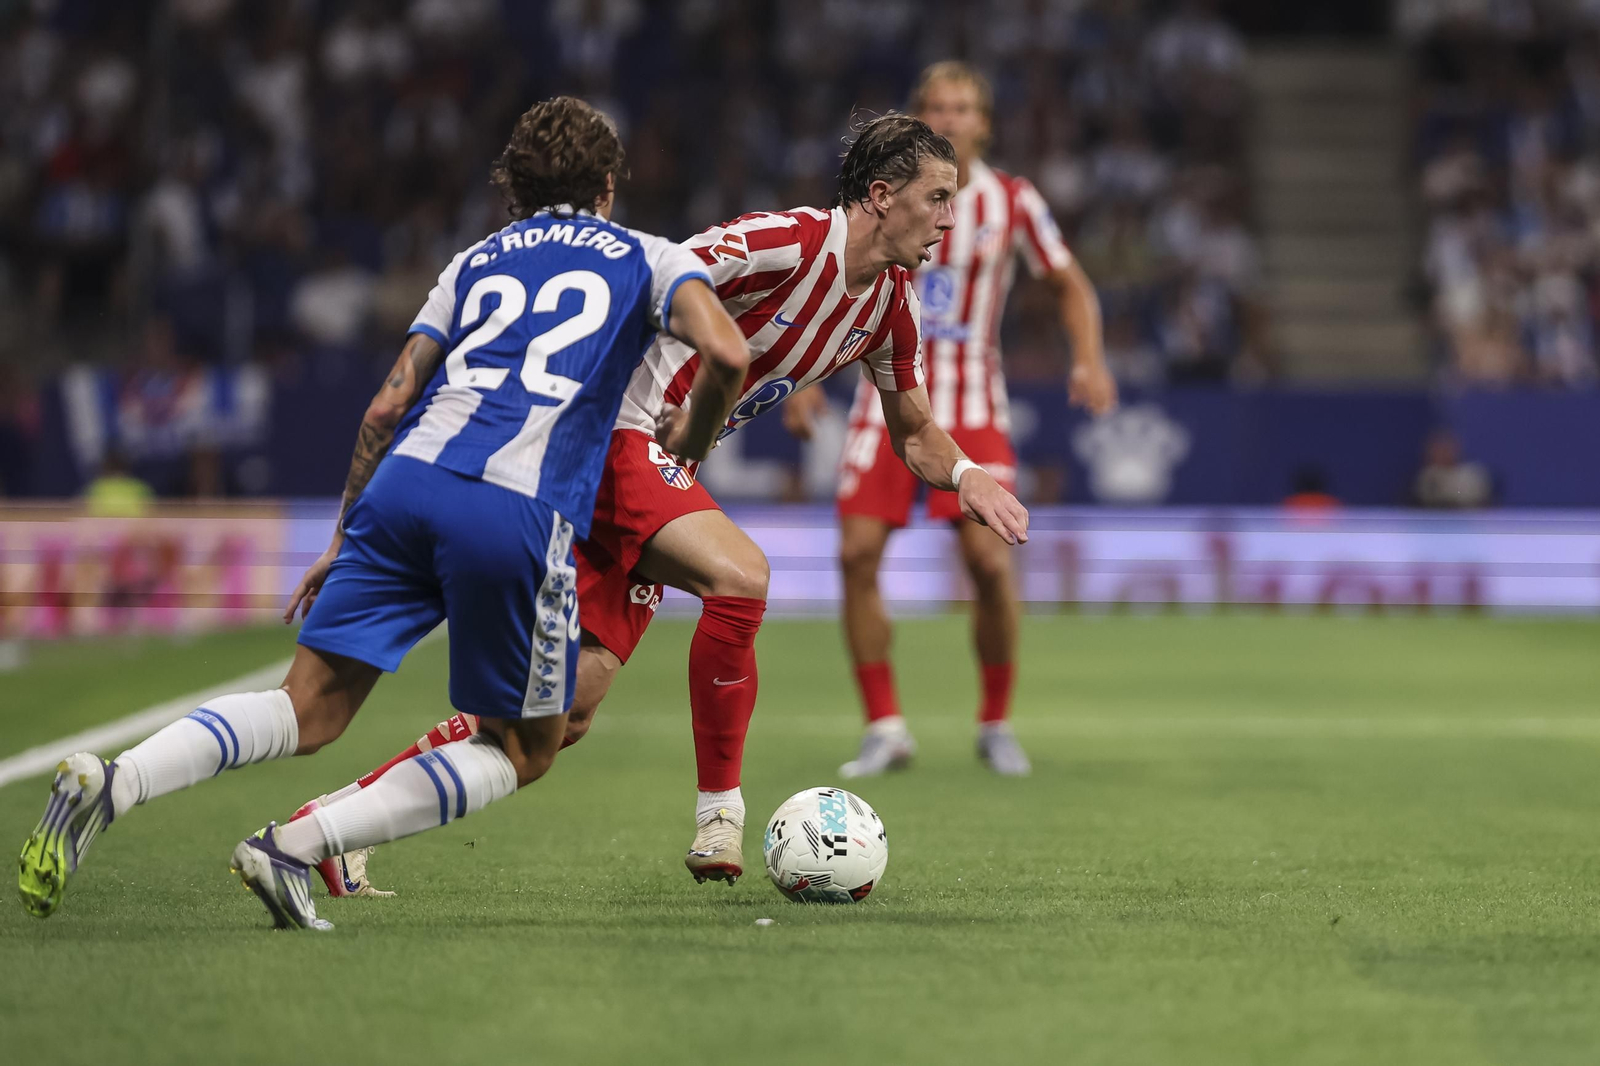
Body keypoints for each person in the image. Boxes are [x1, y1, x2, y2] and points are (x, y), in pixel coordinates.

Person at [18, 96, 751, 930]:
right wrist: (692, 439)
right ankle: (296, 844)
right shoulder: (647, 257)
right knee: (524, 746)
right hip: (512, 507)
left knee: (307, 706)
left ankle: (115, 782)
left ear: (511, 186)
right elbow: (727, 351)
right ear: (610, 186)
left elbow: (383, 407)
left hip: (403, 483)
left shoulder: (473, 261)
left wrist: (343, 536)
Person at [286, 112, 1033, 900]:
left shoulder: (890, 306)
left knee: (565, 712)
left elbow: (913, 430)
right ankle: (721, 813)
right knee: (741, 576)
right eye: (939, 196)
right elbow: (648, 275)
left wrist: (966, 474)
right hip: (614, 432)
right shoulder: (784, 242)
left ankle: (339, 825)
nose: (951, 217)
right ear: (882, 197)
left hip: (660, 463)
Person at [783, 62, 1117, 779]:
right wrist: (799, 372)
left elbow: (1071, 284)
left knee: (989, 561)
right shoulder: (889, 198)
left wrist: (1088, 357)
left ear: (985, 121)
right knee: (853, 556)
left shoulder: (1013, 202)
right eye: (938, 106)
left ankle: (995, 721)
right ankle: (885, 726)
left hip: (972, 407)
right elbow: (832, 280)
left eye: (964, 107)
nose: (953, 117)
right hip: (884, 404)